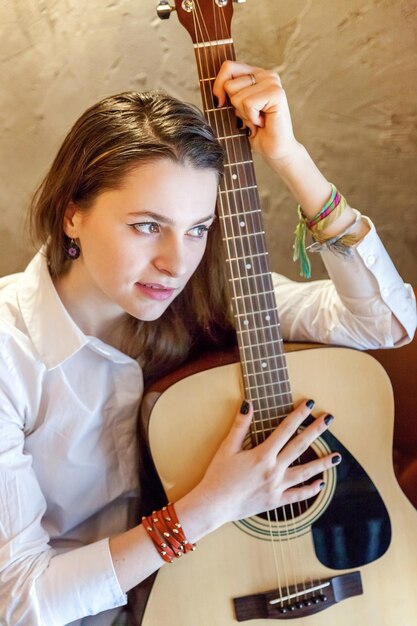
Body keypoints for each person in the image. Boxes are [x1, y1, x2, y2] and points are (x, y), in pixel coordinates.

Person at [0, 60, 415, 626]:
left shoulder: (203, 298)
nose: (176, 263)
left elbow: (386, 325)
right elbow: (19, 600)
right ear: (73, 213)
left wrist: (291, 158)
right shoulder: (8, 351)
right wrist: (214, 505)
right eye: (147, 225)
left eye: (197, 228)